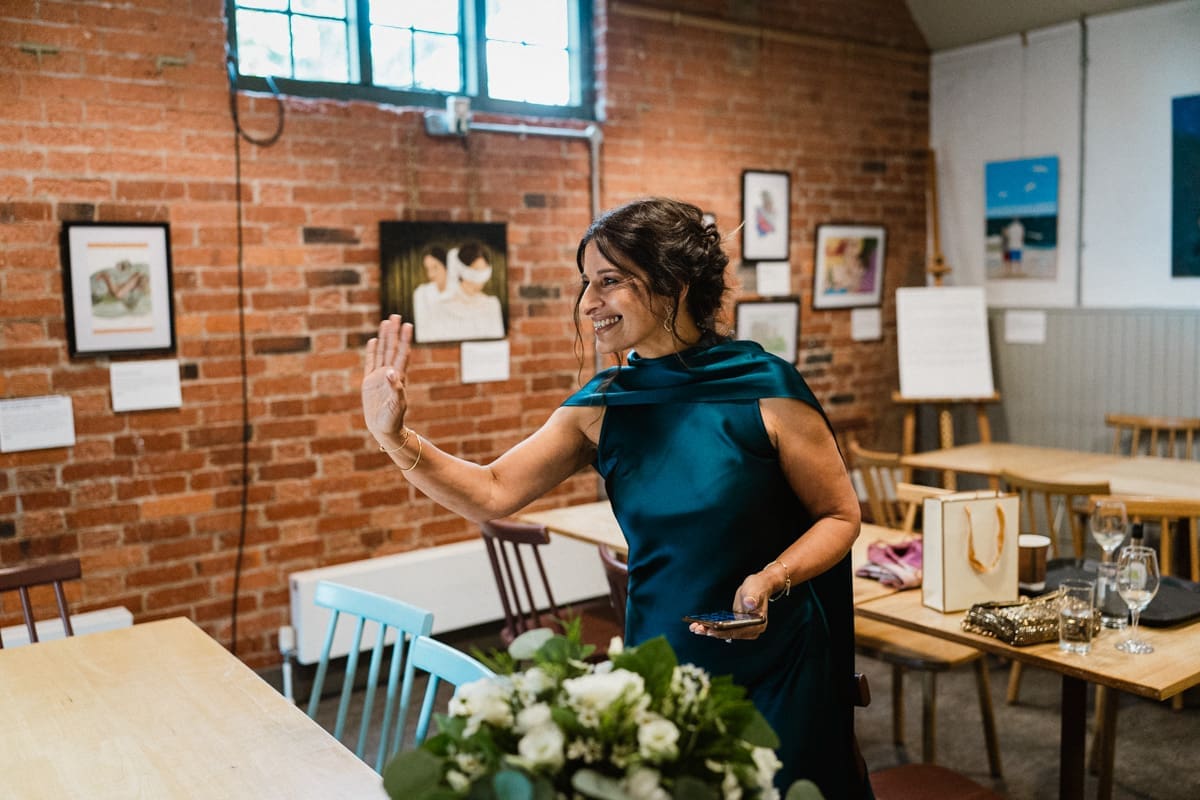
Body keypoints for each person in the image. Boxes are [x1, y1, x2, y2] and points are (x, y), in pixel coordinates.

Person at [361, 197, 869, 798]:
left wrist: (773, 577)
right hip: (664, 657)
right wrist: (393, 438)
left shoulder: (766, 390)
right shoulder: (605, 406)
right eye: (585, 284)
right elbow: (491, 493)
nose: (588, 304)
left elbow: (840, 515)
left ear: (674, 284)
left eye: (609, 282)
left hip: (778, 658)